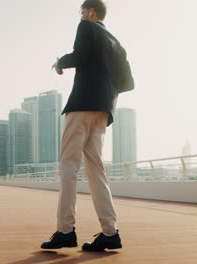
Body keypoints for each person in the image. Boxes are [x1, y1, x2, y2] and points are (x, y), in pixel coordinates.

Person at [41, 0, 131, 252]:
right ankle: (110, 232)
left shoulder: (86, 27)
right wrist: (106, 91)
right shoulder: (116, 43)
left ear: (91, 12)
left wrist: (60, 62)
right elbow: (127, 82)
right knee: (96, 169)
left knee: (68, 165)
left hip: (81, 105)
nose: (81, 15)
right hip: (103, 109)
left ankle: (65, 230)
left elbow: (79, 55)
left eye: (82, 11)